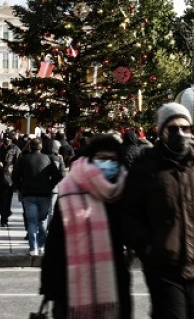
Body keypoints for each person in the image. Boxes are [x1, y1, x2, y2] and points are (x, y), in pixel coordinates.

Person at [122, 103, 194, 319]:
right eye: (173, 128)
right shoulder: (146, 165)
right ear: (161, 132)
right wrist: (147, 246)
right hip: (163, 266)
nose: (180, 133)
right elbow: (129, 212)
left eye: (185, 128)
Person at [40, 135, 132, 319]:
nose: (107, 163)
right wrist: (49, 286)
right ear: (91, 159)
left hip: (114, 280)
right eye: (101, 158)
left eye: (113, 159)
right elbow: (55, 241)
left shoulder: (125, 190)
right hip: (70, 284)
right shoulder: (69, 189)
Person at [13, 137, 63, 256]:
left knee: (32, 221)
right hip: (44, 194)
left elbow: (14, 176)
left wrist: (21, 187)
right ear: (41, 147)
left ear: (30, 146)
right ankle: (41, 245)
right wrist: (49, 186)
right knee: (43, 220)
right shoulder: (48, 158)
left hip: (29, 194)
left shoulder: (23, 159)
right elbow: (57, 176)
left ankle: (33, 248)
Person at [0, 135, 21, 227]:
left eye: (9, 138)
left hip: (9, 178)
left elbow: (19, 163)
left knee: (7, 199)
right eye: (5, 138)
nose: (7, 139)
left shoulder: (15, 149)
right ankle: (6, 212)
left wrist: (16, 176)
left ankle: (4, 219)